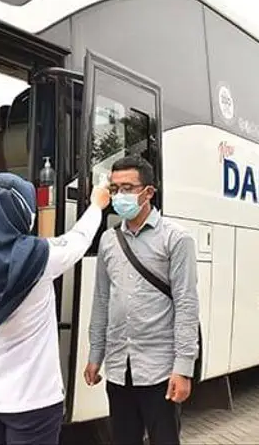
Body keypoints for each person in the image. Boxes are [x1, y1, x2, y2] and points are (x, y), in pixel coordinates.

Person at [0, 172, 111, 445]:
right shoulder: (39, 256)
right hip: (34, 402)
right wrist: (96, 205)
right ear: (19, 213)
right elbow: (79, 240)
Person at [84, 156, 199, 445]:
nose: (120, 195)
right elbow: (101, 300)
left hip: (159, 369)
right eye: (115, 188)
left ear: (148, 193)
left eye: (127, 187)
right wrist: (95, 354)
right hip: (119, 368)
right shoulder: (109, 241)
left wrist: (183, 369)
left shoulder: (176, 239)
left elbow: (186, 304)